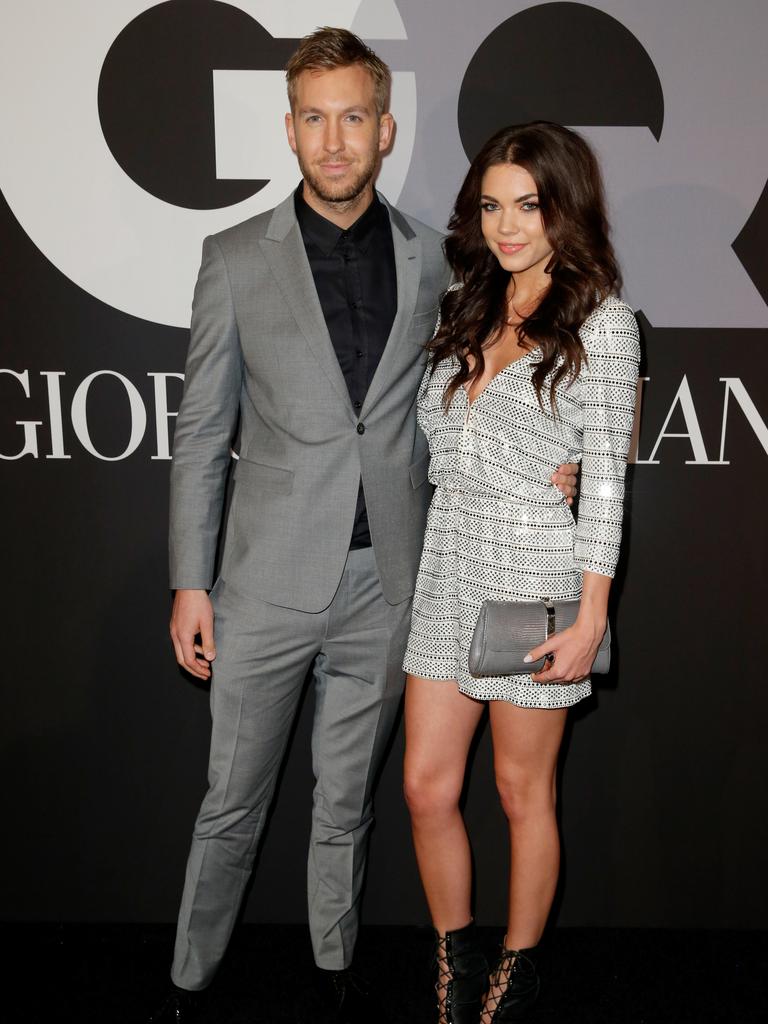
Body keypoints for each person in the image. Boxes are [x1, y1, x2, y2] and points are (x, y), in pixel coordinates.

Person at [153, 29, 578, 1023]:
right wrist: (190, 579)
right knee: (230, 808)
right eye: (314, 117)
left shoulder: (444, 258)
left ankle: (336, 969)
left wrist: (570, 458)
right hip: (260, 586)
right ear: (290, 131)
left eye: (354, 117)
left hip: (391, 585)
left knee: (348, 804)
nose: (334, 139)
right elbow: (202, 430)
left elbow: (505, 380)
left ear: (385, 130)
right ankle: (189, 979)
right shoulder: (231, 260)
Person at [402, 121, 641, 1024]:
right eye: (493, 206)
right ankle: (454, 954)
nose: (507, 226)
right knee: (426, 785)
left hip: (536, 574)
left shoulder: (604, 322)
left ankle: (519, 964)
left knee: (517, 790)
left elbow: (607, 477)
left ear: (564, 207)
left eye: (528, 206)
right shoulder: (464, 300)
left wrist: (589, 617)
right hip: (447, 567)